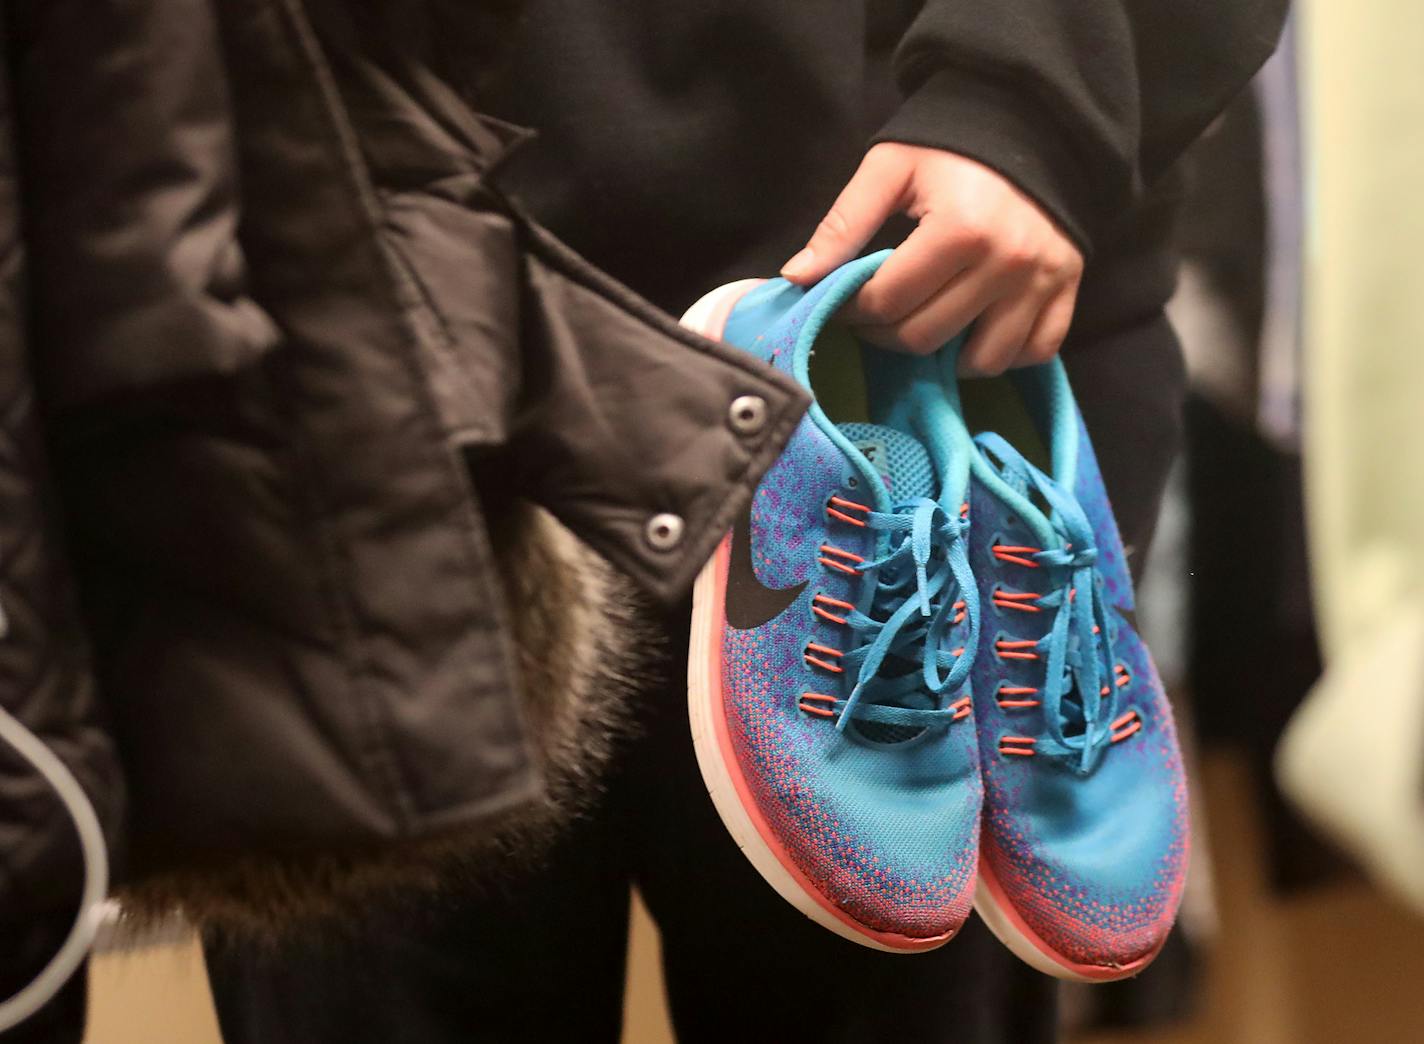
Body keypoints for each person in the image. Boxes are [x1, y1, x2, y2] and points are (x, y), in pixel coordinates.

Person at [205, 2, 1290, 1042]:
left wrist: (1034, 97)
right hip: (353, 333)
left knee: (893, 941)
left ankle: (903, 441)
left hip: (920, 284)